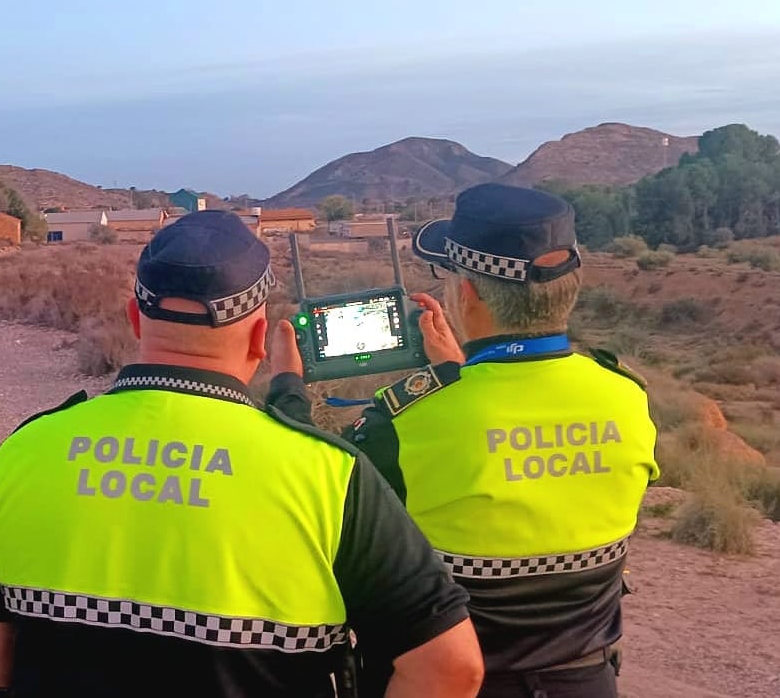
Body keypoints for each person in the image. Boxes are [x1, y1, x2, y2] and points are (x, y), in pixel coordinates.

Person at [0, 209, 484, 698]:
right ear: (257, 336)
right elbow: (450, 665)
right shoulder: (328, 474)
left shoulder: (26, 449)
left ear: (136, 320)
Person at [271, 183, 661, 698]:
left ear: (468, 293)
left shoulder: (406, 423)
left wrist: (288, 389)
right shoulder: (627, 397)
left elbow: (310, 487)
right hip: (587, 681)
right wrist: (460, 372)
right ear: (568, 288)